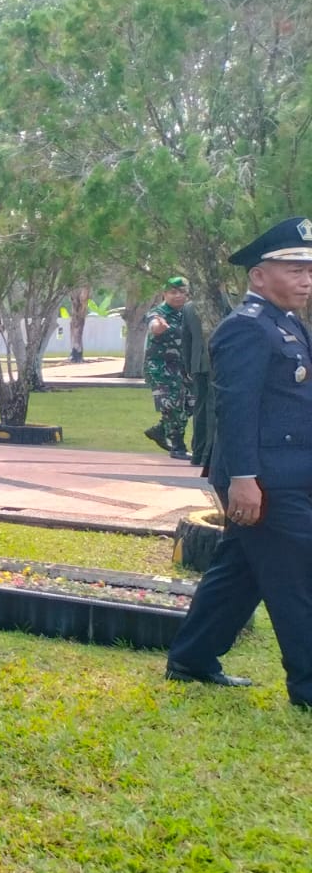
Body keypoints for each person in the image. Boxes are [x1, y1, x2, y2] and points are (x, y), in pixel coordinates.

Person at [165, 217, 312, 709]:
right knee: (298, 576)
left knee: (241, 571)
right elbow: (235, 409)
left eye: (309, 268)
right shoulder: (246, 328)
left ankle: (192, 657)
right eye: (293, 268)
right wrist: (244, 481)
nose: (305, 278)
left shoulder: (286, 324)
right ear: (258, 276)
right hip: (265, 482)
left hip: (288, 475)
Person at [143, 276, 194, 459]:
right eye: (173, 292)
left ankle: (159, 430)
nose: (178, 296)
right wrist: (158, 327)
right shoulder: (159, 311)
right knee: (174, 405)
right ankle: (178, 447)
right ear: (164, 294)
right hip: (160, 367)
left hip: (182, 367)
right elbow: (153, 324)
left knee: (193, 403)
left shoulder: (188, 312)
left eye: (182, 292)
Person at [179, 287, 216, 468]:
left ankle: (199, 453)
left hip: (197, 364)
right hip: (216, 363)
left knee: (200, 409)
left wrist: (188, 364)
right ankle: (208, 455)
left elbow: (186, 338)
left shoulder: (189, 307)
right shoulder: (223, 301)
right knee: (212, 408)